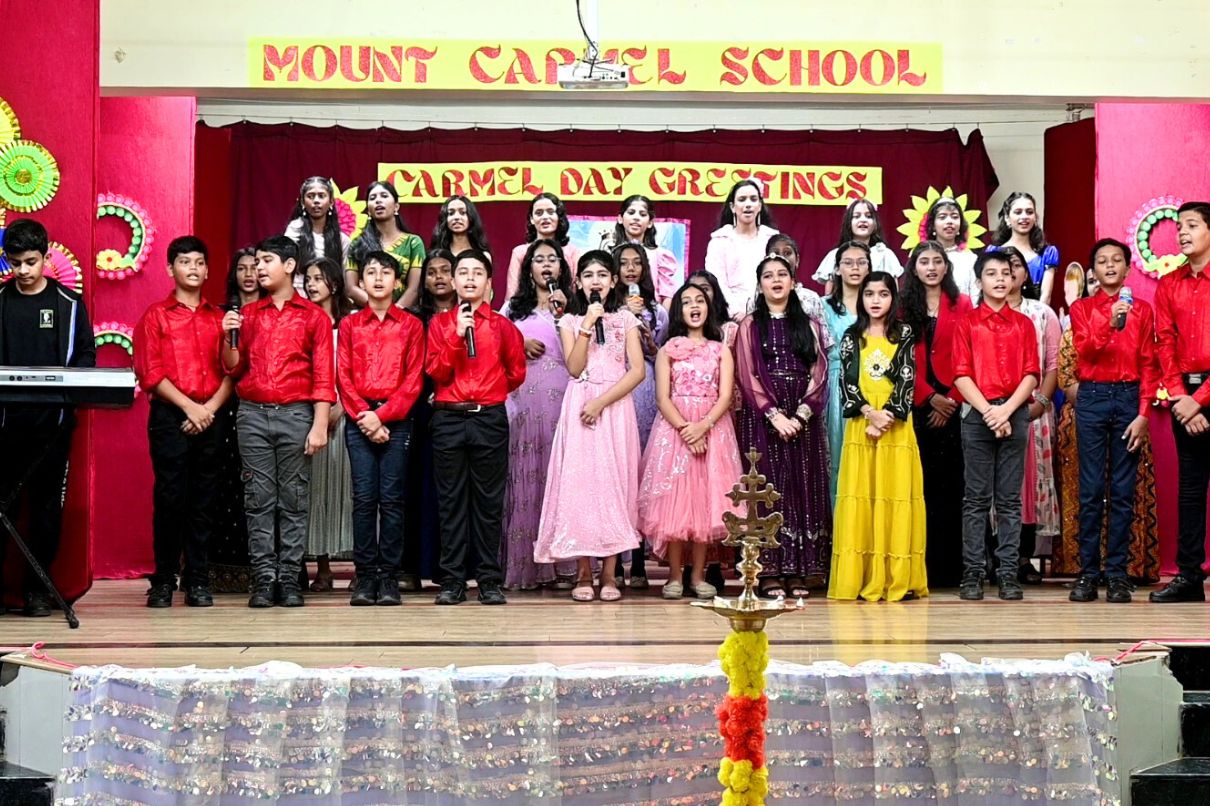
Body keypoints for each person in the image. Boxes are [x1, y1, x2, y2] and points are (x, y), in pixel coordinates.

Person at [221, 236, 335, 608]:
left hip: (296, 414)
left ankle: (288, 579)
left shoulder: (314, 317)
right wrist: (228, 336)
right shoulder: (249, 315)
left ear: (289, 265)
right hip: (252, 414)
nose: (258, 268)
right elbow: (233, 367)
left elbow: (324, 376)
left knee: (294, 499)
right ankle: (263, 579)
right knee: (257, 499)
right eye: (256, 262)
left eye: (266, 260)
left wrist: (319, 424)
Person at [534, 251, 645, 602]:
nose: (595, 280)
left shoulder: (626, 320)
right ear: (578, 282)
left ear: (613, 281)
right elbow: (574, 367)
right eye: (588, 275)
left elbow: (637, 371)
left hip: (614, 407)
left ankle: (610, 573)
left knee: (614, 486)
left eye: (602, 274)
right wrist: (586, 325)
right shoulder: (569, 321)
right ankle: (584, 571)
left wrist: (601, 403)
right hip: (580, 406)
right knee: (581, 486)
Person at [0, 218, 95, 616]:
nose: (23, 270)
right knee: (3, 507)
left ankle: (37, 591)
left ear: (46, 256)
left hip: (52, 427)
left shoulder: (68, 305)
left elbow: (86, 356)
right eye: (15, 262)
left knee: (45, 510)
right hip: (4, 426)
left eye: (30, 262)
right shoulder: (1, 300)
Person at [133, 236, 232, 608]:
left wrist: (207, 410)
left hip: (212, 414)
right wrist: (191, 408)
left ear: (207, 271)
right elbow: (150, 372)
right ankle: (163, 580)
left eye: (199, 262)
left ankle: (198, 579)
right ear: (169, 269)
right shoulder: (156, 316)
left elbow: (233, 371)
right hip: (171, 416)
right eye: (185, 262)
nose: (193, 268)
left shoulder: (220, 318)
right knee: (170, 498)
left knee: (205, 500)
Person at [425, 249, 525, 605]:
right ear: (453, 281)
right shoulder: (439, 325)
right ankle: (452, 580)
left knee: (488, 503)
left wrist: (489, 392)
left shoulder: (502, 326)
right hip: (448, 418)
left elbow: (516, 372)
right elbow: (436, 372)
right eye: (463, 272)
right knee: (450, 502)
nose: (469, 278)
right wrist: (456, 335)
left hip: (488, 418)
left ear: (488, 283)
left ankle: (488, 580)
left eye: (477, 273)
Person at [1066, 238, 1159, 604]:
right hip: (1092, 397)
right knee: (1090, 490)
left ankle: (1118, 574)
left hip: (1128, 398)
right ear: (1093, 270)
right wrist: (1111, 321)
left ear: (1127, 268)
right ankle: (1089, 574)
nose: (1109, 266)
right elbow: (1086, 351)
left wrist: (1144, 413)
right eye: (1102, 261)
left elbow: (1149, 362)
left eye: (1116, 260)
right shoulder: (1082, 308)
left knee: (1122, 491)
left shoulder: (1144, 310)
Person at [638, 282, 742, 600]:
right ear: (678, 311)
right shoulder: (667, 350)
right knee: (675, 502)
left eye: (700, 300)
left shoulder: (721, 349)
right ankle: (674, 576)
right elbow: (662, 398)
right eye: (686, 301)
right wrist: (686, 429)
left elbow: (725, 396)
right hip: (675, 431)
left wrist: (703, 426)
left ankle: (697, 576)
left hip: (713, 431)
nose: (694, 306)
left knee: (705, 504)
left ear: (709, 307)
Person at [735, 255, 831, 599]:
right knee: (770, 487)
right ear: (759, 284)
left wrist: (801, 414)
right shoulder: (749, 325)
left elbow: (819, 372)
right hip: (763, 417)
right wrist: (774, 414)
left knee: (804, 486)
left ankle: (801, 570)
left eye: (782, 275)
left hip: (802, 415)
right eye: (768, 276)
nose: (776, 280)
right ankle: (769, 571)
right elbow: (746, 374)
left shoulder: (811, 325)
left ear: (793, 282)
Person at [828, 272, 927, 602]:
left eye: (883, 294)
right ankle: (861, 578)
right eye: (869, 294)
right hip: (862, 425)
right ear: (861, 298)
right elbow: (847, 382)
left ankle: (897, 580)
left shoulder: (904, 333)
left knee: (894, 496)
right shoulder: (851, 336)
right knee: (863, 499)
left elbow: (906, 378)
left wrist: (886, 417)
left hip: (895, 428)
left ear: (893, 298)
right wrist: (870, 413)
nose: (875, 300)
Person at [337, 250, 425, 606]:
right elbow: (343, 376)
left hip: (396, 420)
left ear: (397, 281)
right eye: (370, 272)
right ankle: (365, 576)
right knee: (363, 499)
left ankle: (388, 576)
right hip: (359, 419)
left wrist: (383, 416)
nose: (377, 278)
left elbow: (414, 379)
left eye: (385, 273)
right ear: (360, 281)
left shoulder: (411, 325)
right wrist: (366, 417)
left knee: (392, 500)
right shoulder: (349, 325)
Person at [951, 251, 1039, 601]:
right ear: (979, 281)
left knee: (1009, 500)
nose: (1000, 279)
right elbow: (960, 374)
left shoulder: (1024, 324)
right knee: (976, 499)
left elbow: (1032, 374)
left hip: (1014, 413)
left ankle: (1007, 573)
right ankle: (973, 572)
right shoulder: (967, 323)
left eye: (1006, 273)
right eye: (991, 273)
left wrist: (1006, 412)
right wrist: (990, 412)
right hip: (978, 414)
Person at [500, 240, 574, 590]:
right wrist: (519, 343)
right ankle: (528, 566)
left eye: (552, 259)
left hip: (565, 402)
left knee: (559, 478)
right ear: (528, 269)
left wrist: (565, 316)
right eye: (539, 259)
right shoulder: (512, 309)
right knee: (526, 475)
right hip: (524, 403)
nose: (546, 265)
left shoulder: (572, 307)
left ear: (562, 267)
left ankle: (565, 566)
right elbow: (493, 346)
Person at [900, 241, 973, 588]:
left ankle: (950, 569)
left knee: (951, 487)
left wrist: (952, 400)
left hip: (954, 403)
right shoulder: (902, 307)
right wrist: (929, 397)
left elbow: (971, 355)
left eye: (937, 261)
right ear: (914, 268)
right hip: (916, 405)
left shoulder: (963, 304)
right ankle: (920, 566)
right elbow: (899, 359)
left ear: (946, 267)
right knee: (919, 486)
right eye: (924, 262)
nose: (931, 267)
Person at [1150, 201, 1210, 603]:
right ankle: (1189, 577)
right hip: (1183, 394)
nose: (1182, 233)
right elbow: (1164, 345)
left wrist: (1199, 400)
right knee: (1190, 489)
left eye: (1191, 225)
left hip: (1199, 397)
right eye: (1179, 227)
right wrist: (1180, 397)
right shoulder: (1169, 284)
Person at [1003, 246, 1061, 582]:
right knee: (995, 483)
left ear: (1026, 274)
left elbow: (1053, 364)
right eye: (1000, 267)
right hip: (992, 412)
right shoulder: (979, 313)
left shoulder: (1041, 313)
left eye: (1015, 266)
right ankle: (995, 557)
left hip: (1033, 411)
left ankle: (1023, 558)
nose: (1008, 273)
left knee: (1028, 484)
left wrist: (1040, 401)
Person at [401, 250, 457, 591]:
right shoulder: (413, 318)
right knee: (417, 485)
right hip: (419, 407)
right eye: (431, 271)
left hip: (459, 405)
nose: (438, 277)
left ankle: (451, 568)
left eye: (445, 270)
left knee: (451, 490)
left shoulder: (470, 316)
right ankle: (411, 567)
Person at [301, 257, 354, 593]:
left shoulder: (350, 324)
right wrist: (318, 412)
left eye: (318, 278)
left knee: (351, 492)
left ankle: (361, 565)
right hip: (310, 417)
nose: (311, 285)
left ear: (334, 284)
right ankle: (321, 568)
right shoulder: (303, 323)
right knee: (316, 491)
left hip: (348, 416)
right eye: (308, 279)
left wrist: (340, 408)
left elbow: (360, 372)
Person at [821, 242, 870, 506]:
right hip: (836, 386)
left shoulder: (877, 304)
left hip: (872, 385)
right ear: (837, 269)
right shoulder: (822, 306)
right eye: (848, 263)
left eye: (861, 262)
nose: (855, 268)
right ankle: (839, 522)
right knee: (838, 457)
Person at [704, 179, 780, 318]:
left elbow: (778, 278)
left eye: (753, 199)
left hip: (768, 311)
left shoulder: (772, 239)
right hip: (730, 315)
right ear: (732, 207)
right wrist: (736, 312)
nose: (748, 204)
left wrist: (759, 310)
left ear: (760, 206)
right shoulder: (719, 241)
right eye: (742, 199)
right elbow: (717, 281)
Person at [348, 180, 426, 309]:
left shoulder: (413, 243)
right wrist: (380, 309)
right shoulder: (357, 244)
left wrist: (394, 313)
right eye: (373, 198)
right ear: (368, 210)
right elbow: (351, 288)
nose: (378, 201)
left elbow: (414, 288)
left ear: (396, 206)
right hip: (367, 314)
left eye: (384, 196)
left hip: (403, 315)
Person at [603, 194, 683, 306]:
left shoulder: (660, 255)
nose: (636, 218)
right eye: (631, 213)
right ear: (620, 218)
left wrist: (662, 316)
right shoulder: (609, 254)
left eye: (642, 214)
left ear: (650, 223)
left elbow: (667, 296)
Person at [812, 198, 903, 293]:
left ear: (875, 223)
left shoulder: (885, 255)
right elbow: (829, 297)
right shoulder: (835, 255)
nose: (863, 220)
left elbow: (893, 294)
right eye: (856, 216)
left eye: (868, 216)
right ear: (849, 222)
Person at [987, 192, 1059, 305]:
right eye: (1018, 212)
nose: (1024, 216)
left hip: (1036, 312)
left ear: (1035, 217)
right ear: (1007, 218)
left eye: (1029, 212)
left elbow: (1046, 296)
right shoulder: (993, 252)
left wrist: (1036, 314)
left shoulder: (1046, 254)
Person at [283, 176, 351, 293]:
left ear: (331, 202)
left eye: (321, 196)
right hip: (298, 294)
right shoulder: (294, 231)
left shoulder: (342, 240)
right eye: (310, 196)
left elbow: (345, 279)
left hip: (331, 296)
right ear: (303, 202)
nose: (316, 201)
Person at [506, 193, 581, 298]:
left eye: (550, 212)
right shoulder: (520, 252)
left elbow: (577, 293)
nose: (545, 217)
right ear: (532, 219)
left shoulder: (573, 252)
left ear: (559, 217)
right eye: (539, 213)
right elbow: (511, 296)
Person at [924, 196, 979, 299]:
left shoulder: (970, 259)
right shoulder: (922, 258)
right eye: (942, 217)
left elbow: (975, 298)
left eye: (954, 217)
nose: (949, 221)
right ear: (933, 225)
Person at [430, 195, 492, 261]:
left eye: (462, 213)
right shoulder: (437, 256)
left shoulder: (483, 256)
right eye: (451, 213)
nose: (456, 217)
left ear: (471, 217)